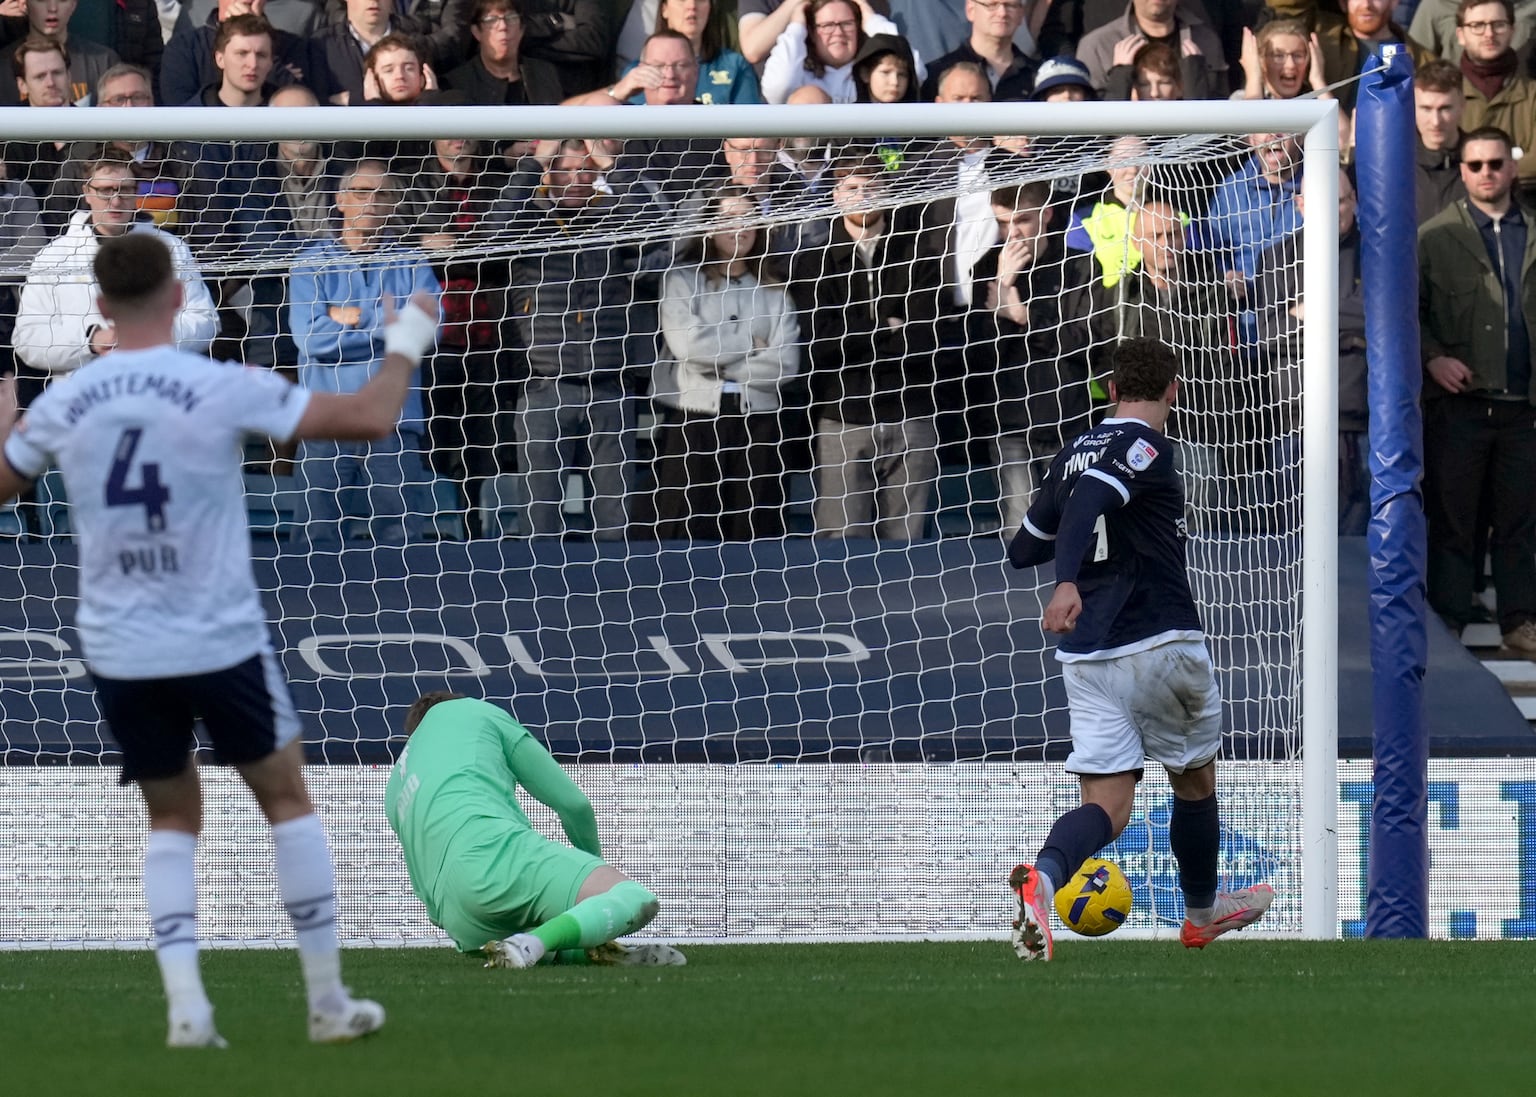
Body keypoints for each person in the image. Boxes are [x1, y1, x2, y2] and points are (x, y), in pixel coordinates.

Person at [0, 231, 437, 1044]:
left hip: (122, 645)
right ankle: (326, 1001)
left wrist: (4, 412)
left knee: (171, 818)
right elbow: (373, 417)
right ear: (177, 298)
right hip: (216, 634)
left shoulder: (68, 401)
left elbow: (3, 480)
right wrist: (407, 339)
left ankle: (187, 1011)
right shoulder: (222, 383)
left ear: (100, 305)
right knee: (286, 800)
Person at [1004, 335, 1276, 962]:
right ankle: (1202, 915)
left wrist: (1071, 553)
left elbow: (1023, 548)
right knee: (1194, 781)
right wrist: (1067, 580)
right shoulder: (1146, 445)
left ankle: (1044, 878)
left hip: (1087, 655)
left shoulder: (1073, 451)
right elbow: (1091, 502)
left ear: (1111, 388)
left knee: (1107, 805)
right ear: (1174, 390)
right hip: (1157, 637)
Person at [384, 692, 686, 968]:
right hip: (493, 855)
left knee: (539, 937)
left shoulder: (393, 791)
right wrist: (592, 875)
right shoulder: (470, 711)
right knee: (635, 898)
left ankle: (571, 950)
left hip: (460, 922)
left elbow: (425, 893)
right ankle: (542, 942)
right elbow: (574, 805)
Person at [1419, 125, 1536, 651]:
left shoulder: (1533, 232)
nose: (1486, 173)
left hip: (1525, 408)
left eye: (1495, 163)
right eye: (1475, 165)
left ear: (1511, 167)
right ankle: (1448, 620)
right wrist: (1433, 358)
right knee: (1454, 521)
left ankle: (1519, 621)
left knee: (1519, 524)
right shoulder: (1434, 237)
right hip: (1461, 408)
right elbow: (1408, 313)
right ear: (1461, 172)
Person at [289, 159, 442, 546]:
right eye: (361, 192)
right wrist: (388, 321)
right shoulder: (309, 264)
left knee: (401, 545)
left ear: (393, 205)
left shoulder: (412, 262)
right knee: (315, 542)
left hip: (393, 422)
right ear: (340, 200)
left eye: (383, 194)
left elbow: (426, 332)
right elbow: (311, 339)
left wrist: (350, 318)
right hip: (326, 420)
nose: (372, 201)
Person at [651, 186, 801, 540]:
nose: (740, 227)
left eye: (748, 218)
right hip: (694, 421)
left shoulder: (776, 292)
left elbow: (785, 364)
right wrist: (750, 344)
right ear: (709, 226)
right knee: (688, 530)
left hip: (759, 424)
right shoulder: (681, 280)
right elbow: (689, 347)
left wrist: (719, 363)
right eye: (729, 218)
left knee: (753, 531)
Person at [13, 155, 218, 408]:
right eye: (105, 190)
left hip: (161, 398)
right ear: (87, 192)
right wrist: (92, 340)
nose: (116, 200)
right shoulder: (54, 256)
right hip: (81, 404)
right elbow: (28, 339)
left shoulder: (171, 249)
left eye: (125, 190)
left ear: (137, 192)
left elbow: (205, 321)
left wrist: (146, 338)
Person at [1454, 0, 1536, 204]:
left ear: (1512, 31)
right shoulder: (1444, 95)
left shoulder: (1532, 94)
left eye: (1498, 25)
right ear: (1461, 35)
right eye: (1477, 25)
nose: (1489, 34)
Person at [1074, 0, 1226, 99]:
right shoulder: (1098, 45)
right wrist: (1120, 77)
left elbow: (1221, 104)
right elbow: (1090, 119)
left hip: (1195, 138)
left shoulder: (1206, 40)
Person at [919, 0, 1035, 102]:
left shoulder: (1037, 76)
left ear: (1021, 13)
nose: (1002, 13)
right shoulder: (934, 75)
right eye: (992, 5)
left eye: (1010, 5)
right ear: (970, 10)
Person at [1416, 57, 1470, 223]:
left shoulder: (1484, 164)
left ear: (1462, 105)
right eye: (1426, 109)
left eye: (1445, 108)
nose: (1436, 122)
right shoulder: (1393, 164)